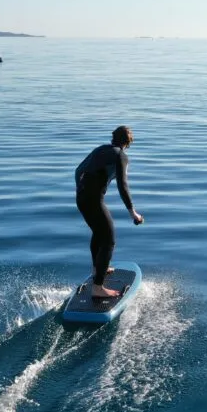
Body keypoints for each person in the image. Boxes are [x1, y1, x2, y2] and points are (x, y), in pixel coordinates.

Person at [75, 125, 144, 298]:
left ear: (114, 138)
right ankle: (98, 287)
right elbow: (123, 186)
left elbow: (78, 171)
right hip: (93, 200)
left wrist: (83, 189)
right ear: (127, 143)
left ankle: (97, 270)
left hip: (81, 199)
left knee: (98, 233)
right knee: (109, 240)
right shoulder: (121, 156)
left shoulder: (100, 150)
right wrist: (132, 213)